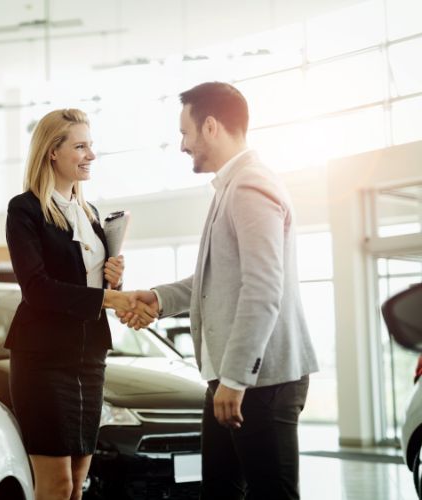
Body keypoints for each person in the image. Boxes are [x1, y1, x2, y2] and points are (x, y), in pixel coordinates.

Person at [122, 82, 319, 499]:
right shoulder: (232, 186)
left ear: (210, 127)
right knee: (219, 491)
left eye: (184, 133)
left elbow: (263, 288)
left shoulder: (250, 186)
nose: (182, 145)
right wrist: (159, 300)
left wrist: (234, 379)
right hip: (235, 380)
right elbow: (218, 279)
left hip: (259, 382)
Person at [5, 108, 152, 500]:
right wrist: (108, 296)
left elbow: (88, 282)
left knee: (77, 482)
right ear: (52, 152)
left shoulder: (90, 213)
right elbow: (37, 287)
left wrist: (113, 277)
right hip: (44, 360)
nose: (91, 155)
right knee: (56, 484)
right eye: (81, 146)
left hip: (89, 358)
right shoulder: (25, 210)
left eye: (92, 146)